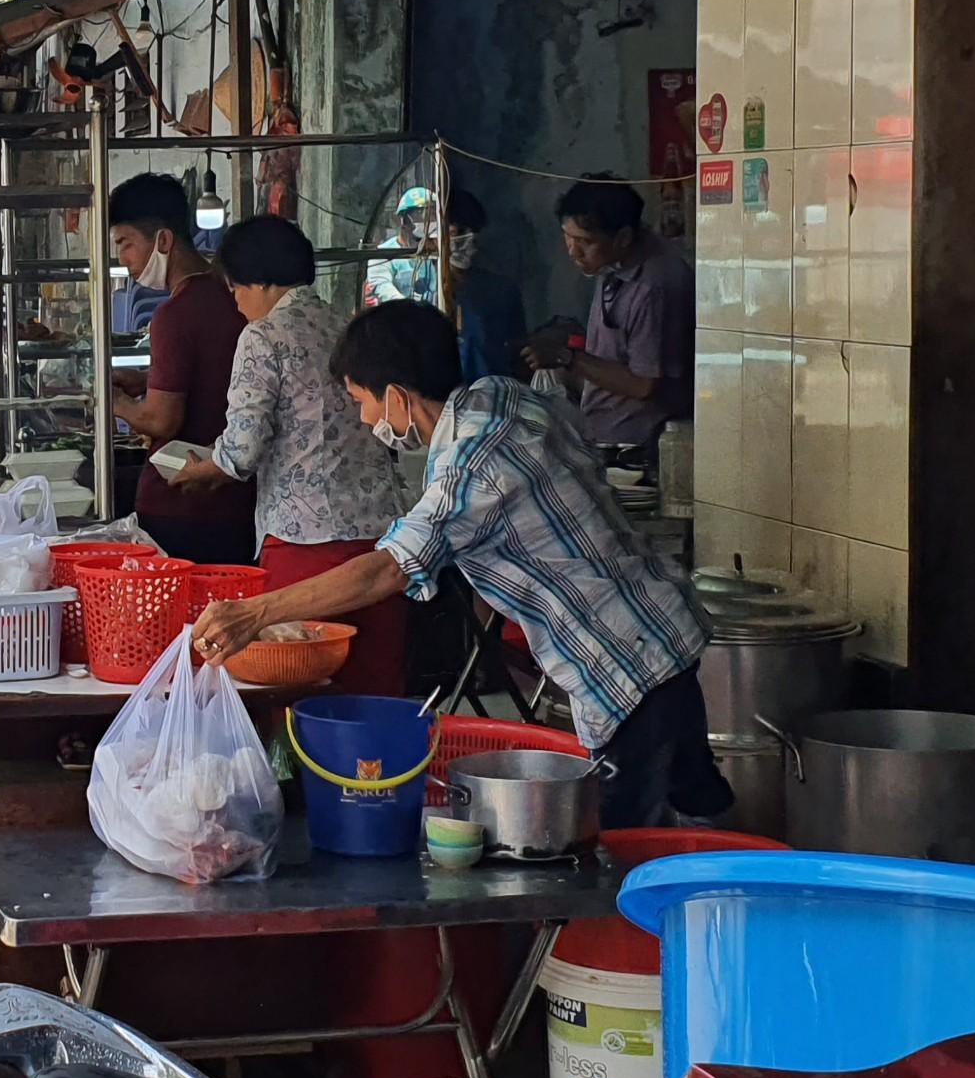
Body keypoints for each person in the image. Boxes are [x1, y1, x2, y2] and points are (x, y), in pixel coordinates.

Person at [192, 299, 730, 828]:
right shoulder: (500, 396)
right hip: (660, 627)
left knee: (622, 843)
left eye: (362, 402)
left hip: (624, 663)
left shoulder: (473, 465)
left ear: (397, 397)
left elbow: (386, 569)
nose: (364, 418)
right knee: (695, 805)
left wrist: (255, 613)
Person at [170, 216, 410, 690]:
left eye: (236, 290)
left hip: (304, 542)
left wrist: (201, 469)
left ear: (259, 281)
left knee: (300, 689)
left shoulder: (263, 336)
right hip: (383, 542)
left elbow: (241, 450)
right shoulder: (350, 326)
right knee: (374, 686)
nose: (237, 304)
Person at [107, 173, 254, 564]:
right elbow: (213, 375)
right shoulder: (233, 294)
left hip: (182, 499)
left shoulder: (175, 314)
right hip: (238, 502)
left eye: (126, 244)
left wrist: (113, 401)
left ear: (164, 240)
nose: (123, 259)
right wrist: (145, 381)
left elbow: (161, 421)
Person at [525, 176, 693, 452]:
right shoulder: (614, 262)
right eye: (567, 237)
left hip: (635, 448)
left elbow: (643, 384)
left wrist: (567, 357)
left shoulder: (653, 285)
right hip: (605, 433)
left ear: (623, 237)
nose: (573, 252)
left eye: (584, 241)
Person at [440, 188, 527, 382]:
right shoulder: (420, 287)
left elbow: (519, 355)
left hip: (492, 392)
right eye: (458, 232)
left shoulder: (502, 291)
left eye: (474, 231)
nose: (469, 240)